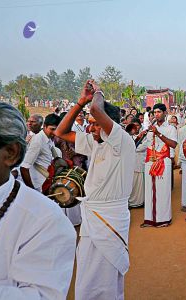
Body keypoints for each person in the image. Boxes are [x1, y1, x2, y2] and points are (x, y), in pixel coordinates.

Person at [54, 80, 135, 299]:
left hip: (110, 217)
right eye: (90, 124)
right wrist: (81, 101)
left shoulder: (122, 141)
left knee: (106, 278)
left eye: (96, 124)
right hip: (92, 216)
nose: (91, 128)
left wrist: (97, 92)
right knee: (88, 274)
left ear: (111, 124)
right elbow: (61, 132)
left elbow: (97, 109)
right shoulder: (94, 142)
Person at [0, 101, 76, 299]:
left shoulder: (45, 220)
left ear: (11, 153)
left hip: (40, 184)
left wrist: (33, 192)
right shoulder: (40, 140)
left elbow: (42, 295)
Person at [141, 103, 177, 228]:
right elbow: (145, 145)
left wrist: (158, 134)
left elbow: (173, 144)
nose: (156, 114)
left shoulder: (171, 128)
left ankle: (163, 219)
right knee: (149, 191)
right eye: (154, 112)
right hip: (150, 161)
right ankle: (149, 220)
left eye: (159, 112)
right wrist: (138, 136)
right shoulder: (150, 128)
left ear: (164, 113)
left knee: (163, 191)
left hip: (163, 161)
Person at [20, 113, 61, 192]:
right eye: (52, 129)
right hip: (37, 186)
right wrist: (32, 190)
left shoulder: (48, 139)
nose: (54, 132)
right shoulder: (38, 140)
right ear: (44, 126)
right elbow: (24, 167)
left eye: (56, 130)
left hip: (45, 184)